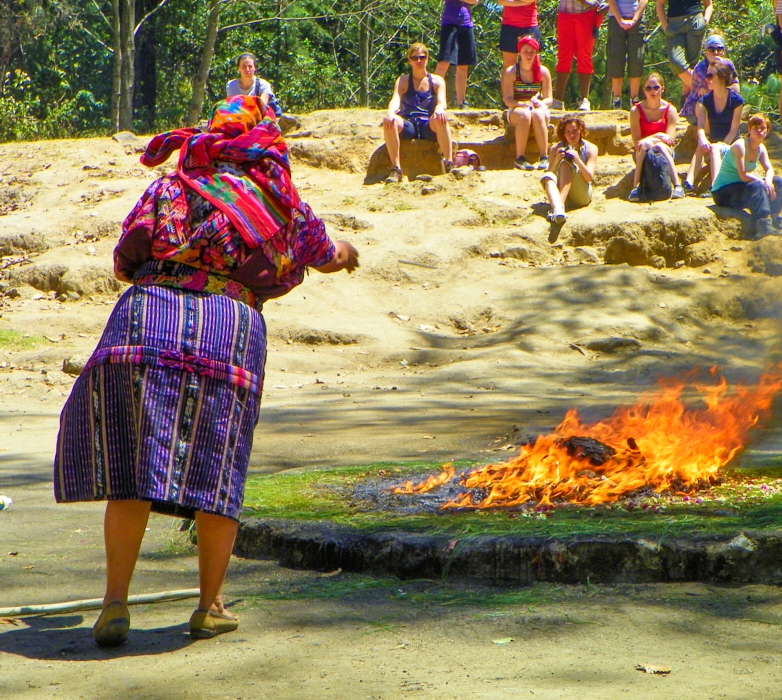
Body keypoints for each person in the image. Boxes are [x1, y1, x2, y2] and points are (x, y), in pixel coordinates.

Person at [53, 95, 359, 648]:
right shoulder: (280, 198)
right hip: (228, 328)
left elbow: (125, 258)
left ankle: (115, 603)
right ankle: (209, 606)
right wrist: (346, 248)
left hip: (144, 320)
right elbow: (324, 253)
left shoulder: (173, 185)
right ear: (262, 139)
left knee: (132, 464)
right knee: (218, 468)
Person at [382, 43, 454, 184]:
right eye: (415, 58)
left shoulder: (437, 81)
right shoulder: (403, 80)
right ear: (409, 60)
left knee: (441, 118)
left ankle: (449, 163)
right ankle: (396, 169)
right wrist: (390, 112)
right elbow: (395, 100)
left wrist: (439, 108)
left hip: (428, 124)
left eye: (422, 57)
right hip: (409, 123)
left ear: (427, 58)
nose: (419, 61)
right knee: (390, 121)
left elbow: (442, 102)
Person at [711, 112, 782, 239]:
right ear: (749, 129)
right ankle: (764, 225)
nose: (759, 131)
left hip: (740, 188)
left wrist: (769, 181)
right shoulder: (740, 145)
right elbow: (743, 175)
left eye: (763, 128)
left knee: (778, 182)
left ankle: (776, 219)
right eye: (756, 128)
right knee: (757, 185)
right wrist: (762, 181)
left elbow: (769, 168)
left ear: (767, 130)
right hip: (723, 193)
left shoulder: (761, 148)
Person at [686, 62, 743, 193]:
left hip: (730, 144)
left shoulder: (736, 100)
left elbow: (734, 130)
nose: (707, 80)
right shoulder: (705, 100)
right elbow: (700, 126)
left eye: (711, 76)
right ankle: (688, 183)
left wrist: (720, 146)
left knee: (716, 148)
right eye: (707, 76)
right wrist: (703, 139)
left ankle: (715, 186)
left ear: (722, 78)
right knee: (702, 146)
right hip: (713, 143)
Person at [628, 72, 685, 201]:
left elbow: (669, 140)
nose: (652, 91)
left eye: (656, 88)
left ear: (662, 89)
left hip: (665, 151)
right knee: (645, 145)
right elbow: (637, 142)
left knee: (659, 145)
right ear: (644, 90)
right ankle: (635, 187)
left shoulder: (670, 110)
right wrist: (659, 135)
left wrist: (650, 139)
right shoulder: (636, 111)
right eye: (648, 88)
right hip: (642, 151)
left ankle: (677, 185)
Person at [502, 35, 554, 170]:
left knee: (537, 114)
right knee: (524, 114)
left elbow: (549, 98)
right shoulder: (511, 72)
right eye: (525, 52)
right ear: (519, 53)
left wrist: (540, 103)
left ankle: (544, 156)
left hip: (537, 108)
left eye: (532, 52)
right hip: (517, 109)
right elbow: (507, 99)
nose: (529, 55)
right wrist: (521, 104)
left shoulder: (543, 71)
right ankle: (520, 158)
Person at [541, 115, 598, 231]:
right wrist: (556, 160)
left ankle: (558, 207)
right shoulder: (555, 149)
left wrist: (577, 159)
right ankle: (559, 209)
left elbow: (588, 178)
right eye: (567, 132)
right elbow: (550, 177)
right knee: (548, 176)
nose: (571, 136)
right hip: (563, 193)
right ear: (563, 133)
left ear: (581, 130)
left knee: (566, 165)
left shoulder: (591, 149)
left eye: (575, 131)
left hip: (581, 194)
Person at [655, 0, 713, 100]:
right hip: (674, 25)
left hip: (695, 21)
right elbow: (660, 4)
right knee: (677, 62)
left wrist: (705, 20)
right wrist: (665, 27)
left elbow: (708, 4)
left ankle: (688, 102)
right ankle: (705, 92)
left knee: (691, 64)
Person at [553, 0, 604, 111]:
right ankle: (557, 100)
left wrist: (605, 5)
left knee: (585, 55)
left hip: (587, 14)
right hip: (565, 12)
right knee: (564, 55)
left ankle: (584, 100)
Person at [679, 34, 739, 123]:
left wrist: (723, 90)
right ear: (706, 52)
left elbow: (736, 88)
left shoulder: (728, 64)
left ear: (723, 51)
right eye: (711, 49)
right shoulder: (700, 68)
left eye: (719, 49)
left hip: (719, 102)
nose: (715, 52)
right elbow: (713, 93)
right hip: (696, 106)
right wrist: (727, 89)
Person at [434, 0, 479, 108]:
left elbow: (475, 1)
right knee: (443, 63)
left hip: (467, 24)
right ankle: (433, 98)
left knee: (463, 65)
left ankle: (461, 101)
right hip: (449, 24)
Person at [607, 0, 648, 109]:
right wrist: (620, 20)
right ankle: (616, 100)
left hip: (637, 21)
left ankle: (634, 100)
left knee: (636, 59)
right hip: (615, 20)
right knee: (616, 58)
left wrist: (635, 19)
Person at [498, 0, 541, 70]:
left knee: (531, 63)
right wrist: (522, 2)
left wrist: (513, 2)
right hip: (509, 25)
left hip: (529, 25)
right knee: (508, 66)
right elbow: (501, 1)